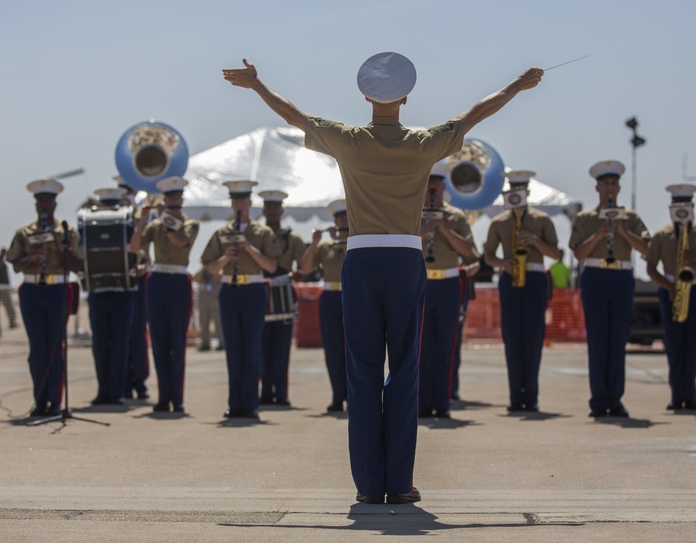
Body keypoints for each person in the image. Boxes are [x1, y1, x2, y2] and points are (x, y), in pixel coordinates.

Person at [223, 52, 544, 505]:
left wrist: (257, 85)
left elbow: (294, 116)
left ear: (365, 95)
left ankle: (370, 486)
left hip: (361, 261)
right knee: (407, 369)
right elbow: (474, 114)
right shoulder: (422, 143)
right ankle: (400, 481)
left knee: (363, 371)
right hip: (406, 261)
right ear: (406, 97)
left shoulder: (349, 140)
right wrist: (515, 85)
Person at [569, 161, 650, 418]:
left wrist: (622, 232)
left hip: (621, 277)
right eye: (606, 183)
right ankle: (599, 399)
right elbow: (578, 252)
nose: (610, 187)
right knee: (598, 340)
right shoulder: (586, 219)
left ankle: (615, 399)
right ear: (597, 187)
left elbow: (647, 249)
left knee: (617, 340)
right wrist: (599, 234)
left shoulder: (631, 217)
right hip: (595, 276)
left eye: (614, 183)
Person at [200, 180, 280, 419]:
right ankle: (235, 404)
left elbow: (272, 265)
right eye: (235, 200)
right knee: (233, 348)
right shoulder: (222, 233)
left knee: (252, 348)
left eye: (243, 200)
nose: (239, 204)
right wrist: (226, 258)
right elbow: (211, 268)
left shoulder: (262, 232)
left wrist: (249, 248)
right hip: (229, 290)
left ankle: (251, 404)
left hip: (253, 290)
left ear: (250, 203)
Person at [483, 169, 560, 413]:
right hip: (510, 277)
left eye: (520, 190)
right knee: (513, 339)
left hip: (536, 278)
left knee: (534, 338)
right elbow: (487, 255)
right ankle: (516, 396)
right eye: (512, 190)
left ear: (527, 192)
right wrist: (501, 264)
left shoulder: (542, 220)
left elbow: (556, 254)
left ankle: (532, 396)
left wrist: (535, 241)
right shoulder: (499, 222)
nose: (517, 194)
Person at [6, 179, 83, 417]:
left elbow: (79, 264)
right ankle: (40, 400)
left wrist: (59, 249)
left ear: (55, 204)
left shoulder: (67, 232)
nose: (44, 205)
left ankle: (56, 401)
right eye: (40, 201)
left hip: (57, 289)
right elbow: (15, 264)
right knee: (37, 349)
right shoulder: (25, 233)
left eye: (48, 200)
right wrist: (32, 255)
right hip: (32, 290)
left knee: (55, 349)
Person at [646, 184, 696, 412]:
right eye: (677, 205)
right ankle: (677, 395)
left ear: (692, 206)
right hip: (671, 290)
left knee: (692, 343)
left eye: (685, 205)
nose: (682, 209)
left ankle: (691, 394)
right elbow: (651, 268)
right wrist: (668, 286)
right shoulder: (662, 234)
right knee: (675, 344)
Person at [129, 176, 199, 414]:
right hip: (157, 279)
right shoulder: (155, 225)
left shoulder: (189, 224)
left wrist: (163, 217)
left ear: (181, 198)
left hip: (179, 280)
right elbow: (134, 246)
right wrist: (142, 220)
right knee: (159, 342)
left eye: (176, 196)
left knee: (177, 342)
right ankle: (163, 396)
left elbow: (179, 241)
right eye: (169, 197)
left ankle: (176, 397)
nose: (173, 200)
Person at [419, 162, 479, 419]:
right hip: (420, 283)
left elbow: (468, 252)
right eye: (428, 182)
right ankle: (421, 403)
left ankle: (442, 403)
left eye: (437, 183)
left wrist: (444, 228)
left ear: (444, 187)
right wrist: (424, 231)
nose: (432, 187)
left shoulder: (456, 216)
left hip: (448, 284)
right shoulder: (412, 214)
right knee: (421, 346)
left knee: (445, 345)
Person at [298, 198, 350, 412]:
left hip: (353, 296)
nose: (342, 221)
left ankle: (356, 395)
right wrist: (314, 243)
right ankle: (338, 396)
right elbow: (305, 268)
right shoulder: (326, 246)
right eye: (339, 218)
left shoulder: (359, 242)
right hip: (330, 296)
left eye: (345, 217)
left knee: (354, 349)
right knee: (333, 349)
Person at [84, 188, 134, 406]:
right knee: (100, 345)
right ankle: (103, 390)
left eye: (113, 204)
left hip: (123, 292)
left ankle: (117, 390)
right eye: (106, 204)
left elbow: (137, 251)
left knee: (120, 345)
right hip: (97, 292)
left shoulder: (129, 224)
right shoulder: (88, 224)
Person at [258, 189, 307, 406]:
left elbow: (304, 266)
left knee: (282, 346)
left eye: (275, 208)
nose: (272, 211)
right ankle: (265, 391)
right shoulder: (256, 234)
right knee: (261, 345)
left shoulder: (293, 237)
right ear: (263, 210)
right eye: (268, 208)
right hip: (260, 289)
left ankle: (282, 392)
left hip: (283, 291)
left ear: (282, 211)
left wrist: (294, 275)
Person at [117, 178, 151, 401]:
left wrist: (144, 264)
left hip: (137, 282)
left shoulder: (143, 216)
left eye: (129, 190)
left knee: (138, 334)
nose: (126, 194)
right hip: (117, 282)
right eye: (123, 190)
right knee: (119, 336)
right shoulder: (110, 215)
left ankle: (139, 381)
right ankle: (121, 382)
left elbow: (147, 249)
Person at [194, 269, 223, 351]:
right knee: (203, 325)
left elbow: (221, 279)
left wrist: (213, 269)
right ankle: (205, 343)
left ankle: (222, 343)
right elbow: (195, 278)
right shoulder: (203, 274)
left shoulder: (218, 272)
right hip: (203, 304)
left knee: (219, 325)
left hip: (215, 303)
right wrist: (204, 268)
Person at [0, 247, 18, 329]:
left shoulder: (1, 263)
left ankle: (12, 322)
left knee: (9, 306)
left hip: (4, 288)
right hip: (0, 288)